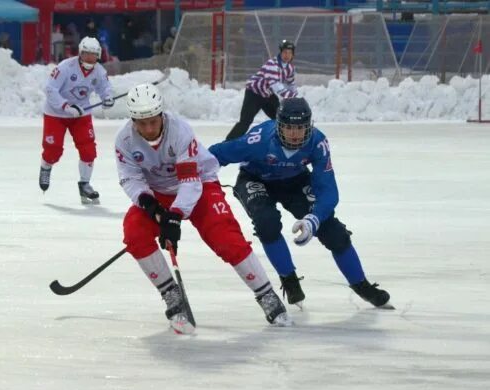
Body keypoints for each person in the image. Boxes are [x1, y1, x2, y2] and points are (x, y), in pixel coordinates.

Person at [115, 83, 292, 334]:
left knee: (225, 238)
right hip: (158, 192)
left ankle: (266, 295)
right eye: (141, 123)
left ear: (161, 115)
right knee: (134, 232)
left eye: (153, 121)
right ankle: (171, 295)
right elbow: (130, 178)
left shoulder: (180, 131)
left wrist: (174, 217)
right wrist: (151, 206)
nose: (148, 129)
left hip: (200, 185)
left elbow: (190, 181)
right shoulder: (124, 140)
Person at [208, 97, 392, 309]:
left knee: (333, 232)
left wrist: (314, 218)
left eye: (301, 128)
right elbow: (216, 154)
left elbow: (328, 189)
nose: (295, 134)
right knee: (267, 223)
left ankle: (361, 285)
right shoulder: (258, 140)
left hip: (294, 181)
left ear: (310, 127)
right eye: (288, 128)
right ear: (278, 127)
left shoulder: (318, 142)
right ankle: (289, 279)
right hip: (255, 179)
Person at [39, 36, 114, 205]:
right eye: (86, 54)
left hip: (81, 114)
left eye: (93, 55)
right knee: (53, 150)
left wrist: (108, 98)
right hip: (56, 114)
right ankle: (45, 167)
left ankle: (85, 184)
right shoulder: (65, 67)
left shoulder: (99, 71)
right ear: (80, 53)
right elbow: (50, 89)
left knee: (88, 149)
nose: (90, 58)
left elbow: (105, 88)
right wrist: (66, 107)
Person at [225, 40, 298, 141]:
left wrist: (295, 96)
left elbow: (291, 84)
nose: (287, 55)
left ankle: (285, 142)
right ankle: (227, 144)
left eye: (290, 53)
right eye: (285, 52)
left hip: (268, 95)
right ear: (280, 53)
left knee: (281, 119)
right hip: (254, 93)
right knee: (245, 122)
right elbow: (276, 86)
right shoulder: (272, 64)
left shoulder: (290, 68)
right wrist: (291, 96)